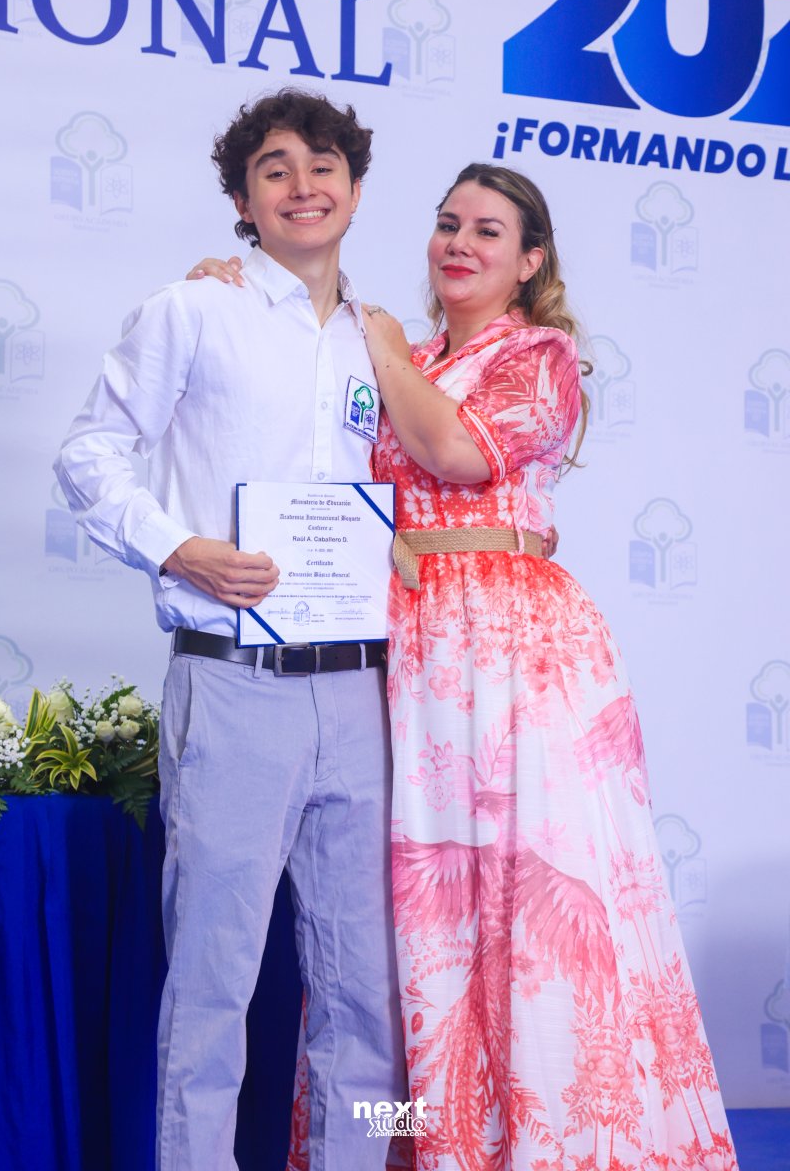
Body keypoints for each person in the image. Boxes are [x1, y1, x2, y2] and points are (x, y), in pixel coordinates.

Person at [191, 161, 738, 1169]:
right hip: (402, 651)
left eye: (488, 231)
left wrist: (377, 339)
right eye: (448, 223)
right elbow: (299, 422)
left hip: (514, 655)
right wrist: (234, 292)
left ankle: (549, 1142)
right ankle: (415, 1143)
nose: (459, 243)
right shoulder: (393, 351)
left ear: (529, 262)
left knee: (530, 901)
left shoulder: (540, 356)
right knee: (409, 916)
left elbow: (452, 451)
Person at [54, 89, 407, 1171]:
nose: (303, 185)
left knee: (370, 988)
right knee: (213, 983)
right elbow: (87, 454)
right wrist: (177, 548)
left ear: (355, 189)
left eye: (323, 165)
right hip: (234, 681)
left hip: (363, 691)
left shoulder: (382, 341)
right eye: (274, 168)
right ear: (244, 202)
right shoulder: (191, 309)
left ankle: (363, 1158)